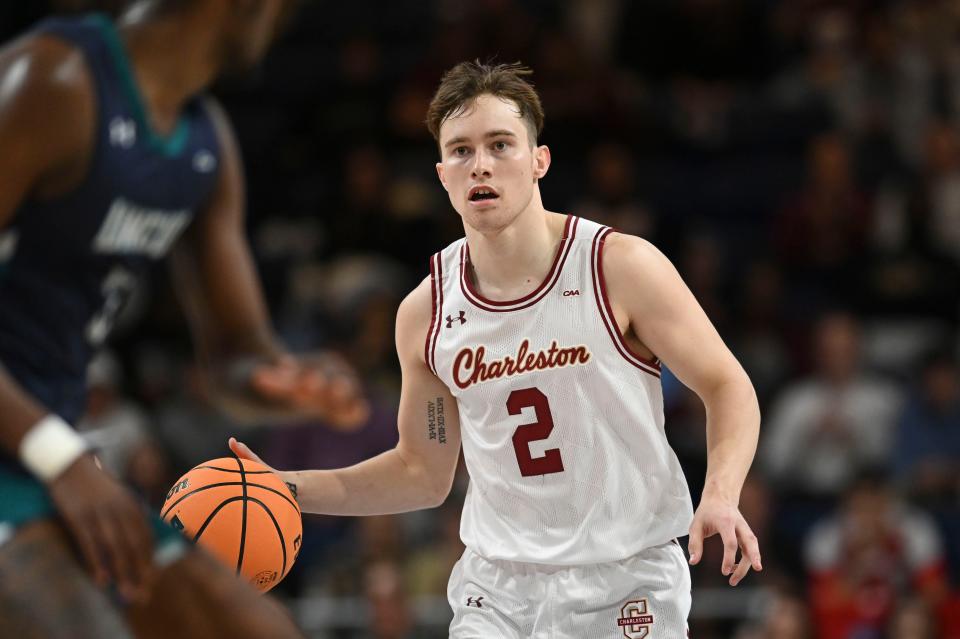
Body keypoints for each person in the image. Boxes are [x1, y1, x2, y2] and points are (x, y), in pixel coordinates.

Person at [233, 60, 764, 638]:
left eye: (500, 144)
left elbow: (727, 385)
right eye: (461, 150)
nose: (480, 164)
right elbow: (421, 472)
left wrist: (721, 494)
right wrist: (285, 489)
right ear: (442, 174)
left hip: (626, 575)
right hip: (499, 589)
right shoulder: (425, 313)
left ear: (540, 160)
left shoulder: (618, 267)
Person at [0, 1, 368, 637]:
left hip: (40, 454)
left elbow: (234, 357)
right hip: (44, 452)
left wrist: (283, 380)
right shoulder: (54, 81)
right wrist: (60, 457)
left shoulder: (204, 144)